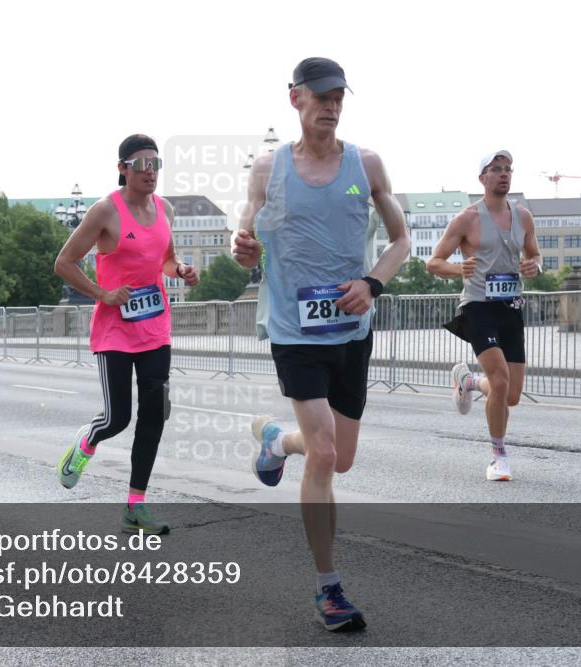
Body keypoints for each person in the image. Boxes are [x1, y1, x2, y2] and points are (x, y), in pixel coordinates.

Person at [232, 58, 410, 632]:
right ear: (295, 99)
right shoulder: (268, 169)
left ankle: (276, 443)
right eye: (322, 96)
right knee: (328, 454)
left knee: (342, 457)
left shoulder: (366, 164)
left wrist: (372, 282)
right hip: (293, 331)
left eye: (340, 97)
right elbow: (246, 232)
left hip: (351, 332)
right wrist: (243, 248)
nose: (332, 106)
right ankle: (327, 589)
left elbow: (401, 239)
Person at [54, 133, 199, 536]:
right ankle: (86, 444)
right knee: (118, 417)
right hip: (115, 329)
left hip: (155, 328)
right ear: (123, 169)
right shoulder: (105, 211)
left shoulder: (165, 209)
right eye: (141, 164)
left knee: (153, 413)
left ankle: (136, 505)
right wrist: (103, 293)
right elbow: (64, 263)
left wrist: (182, 270)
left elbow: (166, 261)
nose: (150, 171)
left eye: (156, 163)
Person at [427, 150, 542, 482]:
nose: (504, 174)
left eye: (508, 169)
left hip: (511, 308)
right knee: (502, 380)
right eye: (496, 169)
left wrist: (535, 264)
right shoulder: (467, 219)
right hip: (478, 307)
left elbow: (535, 254)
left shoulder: (524, 217)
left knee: (511, 396)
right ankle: (498, 456)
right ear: (482, 177)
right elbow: (433, 262)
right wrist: (455, 269)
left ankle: (470, 382)